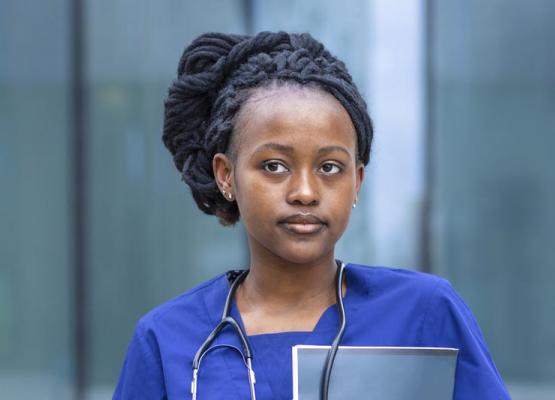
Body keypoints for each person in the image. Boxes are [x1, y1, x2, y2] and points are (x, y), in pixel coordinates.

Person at [113, 31, 510, 399]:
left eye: (330, 168)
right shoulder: (166, 339)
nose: (304, 192)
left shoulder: (425, 313)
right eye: (274, 166)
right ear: (226, 175)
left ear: (356, 181)